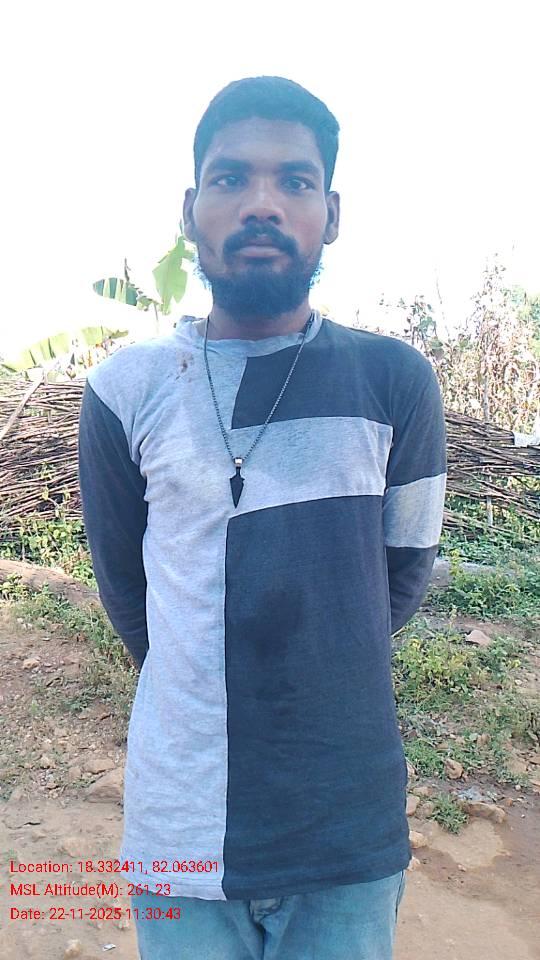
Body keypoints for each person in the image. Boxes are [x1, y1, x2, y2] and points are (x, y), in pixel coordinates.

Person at [78, 75, 447, 960]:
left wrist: (318, 662)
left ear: (332, 214)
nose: (262, 204)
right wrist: (212, 677)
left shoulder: (393, 381)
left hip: (345, 827)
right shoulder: (124, 392)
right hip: (182, 828)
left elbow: (402, 575)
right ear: (189, 209)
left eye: (295, 181)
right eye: (231, 177)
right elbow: (128, 591)